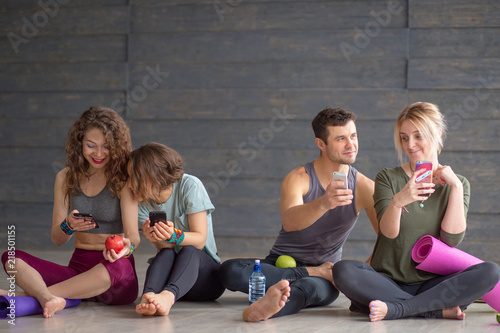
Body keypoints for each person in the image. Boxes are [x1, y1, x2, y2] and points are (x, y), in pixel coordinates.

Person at [332, 102, 500, 321]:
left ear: (437, 133)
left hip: (433, 285)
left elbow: (451, 240)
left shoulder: (459, 184)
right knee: (343, 270)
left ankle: (396, 308)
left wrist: (456, 188)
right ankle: (429, 310)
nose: (410, 145)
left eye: (418, 136)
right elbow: (389, 233)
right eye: (404, 137)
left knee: (490, 271)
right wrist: (400, 200)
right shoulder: (388, 177)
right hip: (387, 281)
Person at [219, 106, 379, 321]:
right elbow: (290, 221)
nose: (351, 145)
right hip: (279, 264)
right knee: (230, 270)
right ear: (321, 144)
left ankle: (265, 309)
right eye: (341, 138)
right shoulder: (299, 178)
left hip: (325, 274)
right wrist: (324, 202)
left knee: (308, 290)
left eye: (353, 136)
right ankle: (292, 284)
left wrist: (359, 273)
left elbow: (387, 236)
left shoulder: (365, 186)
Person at [1, 106, 140, 318]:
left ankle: (31, 297)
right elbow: (57, 239)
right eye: (91, 146)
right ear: (79, 143)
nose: (99, 154)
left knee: (120, 266)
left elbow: (133, 237)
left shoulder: (123, 179)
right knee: (11, 257)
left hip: (113, 273)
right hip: (77, 270)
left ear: (117, 146)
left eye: (106, 147)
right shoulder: (65, 178)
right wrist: (68, 225)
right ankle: (52, 299)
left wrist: (126, 249)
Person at [130, 142, 225, 316]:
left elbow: (200, 240)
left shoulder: (190, 186)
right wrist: (156, 238)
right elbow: (167, 249)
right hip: (176, 280)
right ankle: (149, 297)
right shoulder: (142, 201)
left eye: (134, 177)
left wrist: (175, 235)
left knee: (189, 249)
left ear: (153, 176)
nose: (129, 184)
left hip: (205, 281)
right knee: (165, 253)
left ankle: (167, 297)